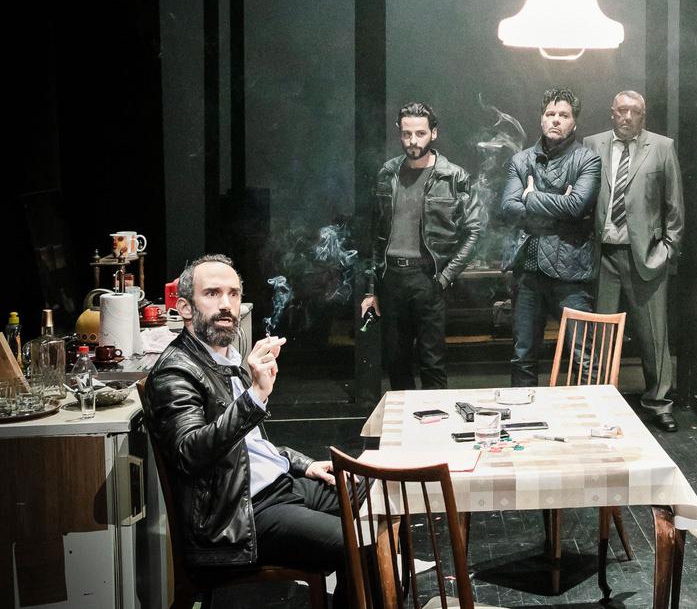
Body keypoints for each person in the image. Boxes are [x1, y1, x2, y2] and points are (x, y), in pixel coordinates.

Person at [142, 255, 350, 604]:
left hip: (277, 487)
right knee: (359, 544)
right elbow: (190, 454)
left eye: (234, 294)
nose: (226, 304)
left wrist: (304, 464)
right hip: (241, 514)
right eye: (212, 293)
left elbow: (249, 447)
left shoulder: (227, 359)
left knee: (383, 500)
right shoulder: (175, 372)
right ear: (185, 307)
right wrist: (255, 396)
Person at [362, 101, 482, 389]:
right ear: (399, 132)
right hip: (391, 278)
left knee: (432, 363)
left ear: (433, 133)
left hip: (428, 278)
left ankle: (435, 420)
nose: (413, 141)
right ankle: (404, 419)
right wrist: (371, 289)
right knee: (396, 363)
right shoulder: (387, 173)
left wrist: (445, 277)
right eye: (407, 134)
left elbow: (475, 232)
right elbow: (375, 235)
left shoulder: (454, 176)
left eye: (420, 133)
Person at [585, 90, 684, 432]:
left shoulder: (662, 147)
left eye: (635, 112)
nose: (628, 117)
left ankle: (659, 403)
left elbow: (675, 206)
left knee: (653, 335)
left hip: (646, 254)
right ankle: (600, 402)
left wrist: (668, 250)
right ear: (611, 113)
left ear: (643, 115)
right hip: (604, 255)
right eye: (622, 110)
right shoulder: (592, 145)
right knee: (601, 334)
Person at [501, 87, 601, 386]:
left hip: (571, 272)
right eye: (550, 113)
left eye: (564, 115)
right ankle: (523, 413)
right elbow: (508, 208)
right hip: (527, 273)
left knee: (583, 357)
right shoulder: (521, 160)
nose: (556, 120)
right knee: (523, 356)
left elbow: (576, 206)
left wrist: (531, 196)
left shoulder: (587, 159)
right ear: (541, 118)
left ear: (574, 122)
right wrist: (559, 203)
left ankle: (590, 413)